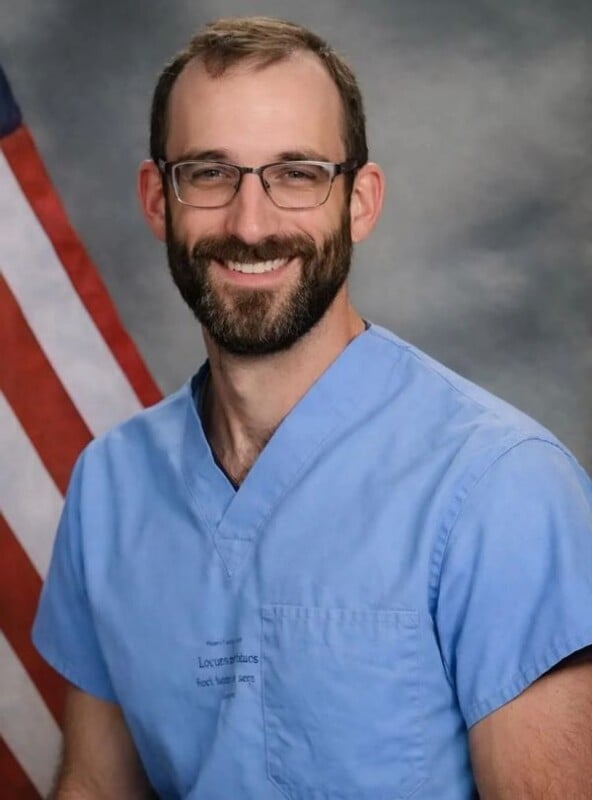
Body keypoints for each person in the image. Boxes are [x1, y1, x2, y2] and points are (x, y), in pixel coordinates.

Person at [33, 16, 592, 800]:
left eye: (297, 174)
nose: (251, 223)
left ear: (359, 202)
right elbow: (95, 784)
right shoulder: (109, 488)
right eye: (209, 173)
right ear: (158, 199)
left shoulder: (502, 490)